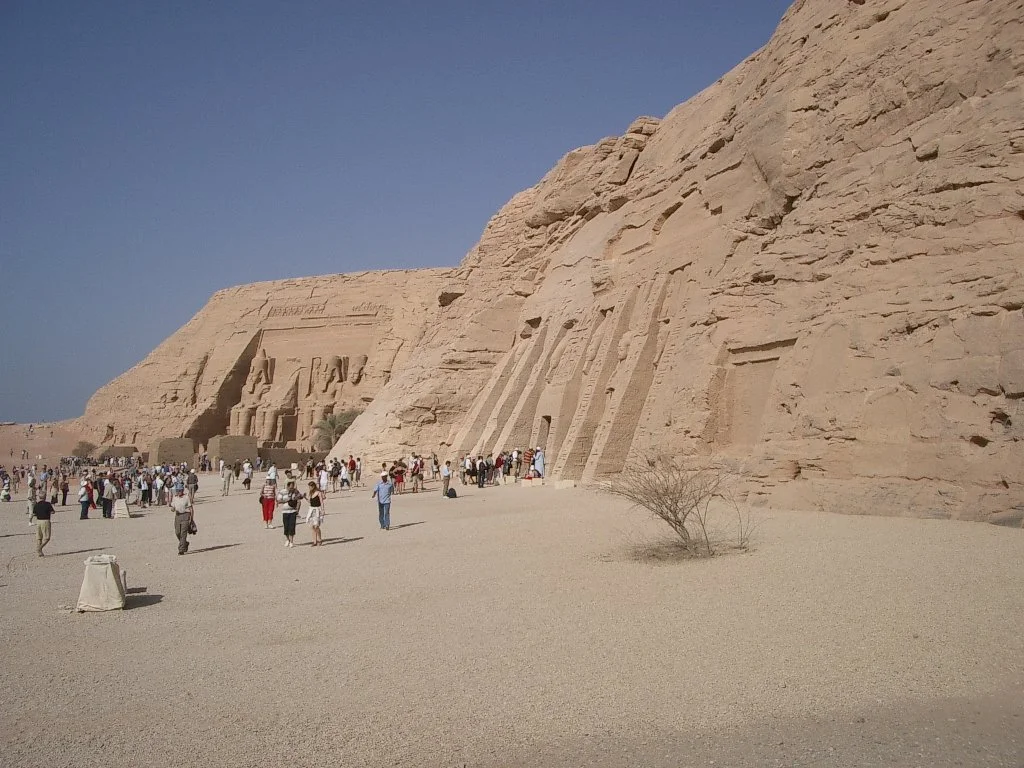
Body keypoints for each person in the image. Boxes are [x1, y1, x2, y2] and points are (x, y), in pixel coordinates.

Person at [170, 486, 194, 556]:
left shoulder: (186, 497)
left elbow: (191, 508)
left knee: (183, 533)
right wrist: (172, 508)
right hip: (177, 516)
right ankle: (185, 543)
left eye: (179, 491)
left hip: (185, 515)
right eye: (177, 491)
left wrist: (191, 519)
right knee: (177, 532)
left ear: (182, 491)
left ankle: (181, 549)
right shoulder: (175, 497)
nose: (178, 492)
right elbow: (173, 507)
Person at [281, 480, 301, 548]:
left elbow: (300, 499)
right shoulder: (283, 491)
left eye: (293, 486)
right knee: (286, 526)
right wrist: (287, 499)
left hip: (292, 511)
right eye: (291, 486)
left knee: (292, 526)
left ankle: (291, 541)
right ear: (288, 486)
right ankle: (287, 540)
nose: (292, 488)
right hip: (285, 511)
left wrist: (297, 510)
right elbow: (278, 500)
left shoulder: (296, 491)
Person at [306, 481, 325, 546]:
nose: (309, 488)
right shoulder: (311, 493)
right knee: (312, 526)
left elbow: (321, 502)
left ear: (313, 486)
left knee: (317, 526)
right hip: (311, 510)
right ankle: (314, 541)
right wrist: (305, 497)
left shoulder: (319, 493)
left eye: (310, 487)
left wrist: (323, 510)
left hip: (317, 510)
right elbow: (310, 502)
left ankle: (320, 539)